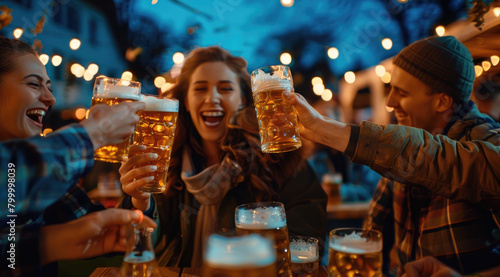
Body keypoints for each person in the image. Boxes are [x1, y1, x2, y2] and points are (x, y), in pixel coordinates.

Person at [285, 36, 500, 276]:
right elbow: (370, 236)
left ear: (442, 101)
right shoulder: (401, 150)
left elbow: (440, 160)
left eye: (402, 93)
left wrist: (324, 129)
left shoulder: (489, 144)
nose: (390, 101)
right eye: (390, 89)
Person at [119, 46, 327, 267]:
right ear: (186, 102)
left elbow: (307, 243)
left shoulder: (283, 161)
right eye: (200, 89)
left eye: (225, 89)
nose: (212, 98)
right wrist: (140, 201)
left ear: (244, 100)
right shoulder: (162, 165)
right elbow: (139, 246)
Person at [0, 36, 151, 276]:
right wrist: (95, 132)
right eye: (33, 84)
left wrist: (138, 200)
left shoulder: (42, 175)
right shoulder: (25, 171)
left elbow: (102, 228)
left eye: (49, 86)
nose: (50, 98)